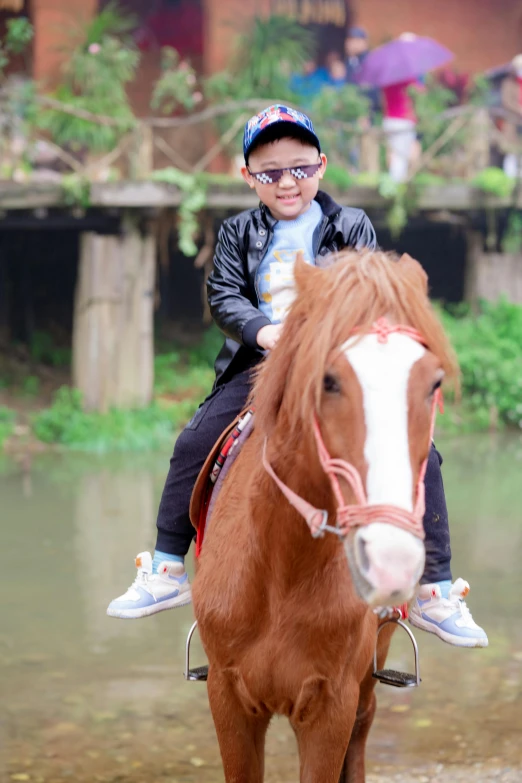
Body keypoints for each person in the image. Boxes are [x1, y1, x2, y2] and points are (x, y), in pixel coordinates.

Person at [106, 104, 488, 649]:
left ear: (321, 166)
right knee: (195, 438)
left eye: (300, 168)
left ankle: (435, 589)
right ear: (248, 177)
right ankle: (167, 566)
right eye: (270, 172)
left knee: (424, 451)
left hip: (338, 366)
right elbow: (224, 296)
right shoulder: (237, 230)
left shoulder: (350, 224)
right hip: (260, 363)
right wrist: (263, 333)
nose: (287, 182)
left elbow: (367, 290)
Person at [500, 54, 522, 177]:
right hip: (513, 121)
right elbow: (507, 101)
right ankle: (509, 177)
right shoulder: (508, 83)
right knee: (511, 151)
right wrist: (519, 109)